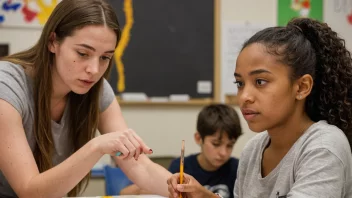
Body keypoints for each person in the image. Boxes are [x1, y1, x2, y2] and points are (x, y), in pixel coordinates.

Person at [0, 0, 171, 197]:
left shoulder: (96, 89)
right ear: (53, 41)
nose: (94, 70)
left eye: (105, 57)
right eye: (83, 53)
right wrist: (96, 146)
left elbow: (140, 166)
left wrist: (184, 189)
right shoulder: (7, 85)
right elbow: (29, 190)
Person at [167, 17, 352, 198]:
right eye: (239, 83)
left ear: (302, 87)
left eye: (260, 81)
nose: (244, 97)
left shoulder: (324, 147)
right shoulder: (253, 149)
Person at [121, 104, 242, 198]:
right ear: (198, 138)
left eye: (230, 146)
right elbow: (127, 192)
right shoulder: (181, 166)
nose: (223, 153)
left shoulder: (238, 168)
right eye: (216, 144)